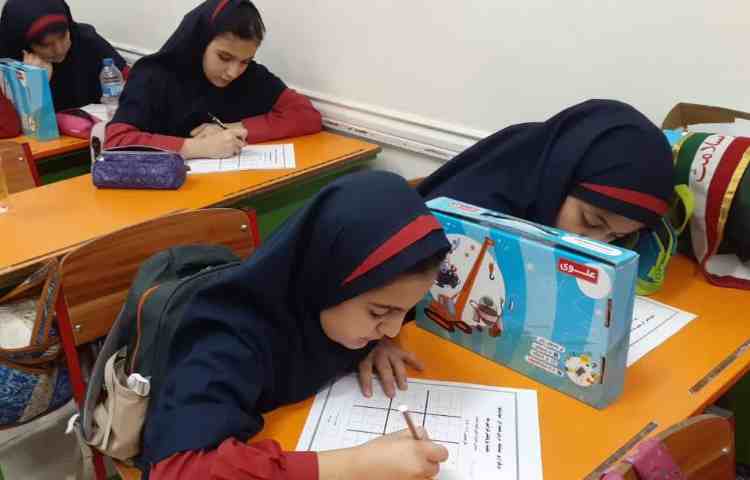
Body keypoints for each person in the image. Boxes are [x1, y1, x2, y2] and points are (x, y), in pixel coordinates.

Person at [143, 171, 451, 480]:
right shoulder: (226, 340)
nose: (393, 330)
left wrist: (378, 342)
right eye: (378, 313)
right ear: (326, 279)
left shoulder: (337, 308)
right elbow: (176, 471)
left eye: (405, 311)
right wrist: (354, 466)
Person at [418, 99, 675, 243]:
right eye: (591, 222)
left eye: (615, 237)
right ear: (560, 176)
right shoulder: (473, 214)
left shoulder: (551, 158)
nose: (594, 244)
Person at [105, 0, 322, 160]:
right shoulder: (152, 76)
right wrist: (199, 148)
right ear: (199, 43)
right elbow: (116, 142)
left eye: (245, 61)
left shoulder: (251, 75)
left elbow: (306, 115)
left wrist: (231, 129)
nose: (233, 72)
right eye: (224, 57)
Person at [0, 0, 129, 111]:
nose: (59, 49)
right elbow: (22, 126)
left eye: (63, 37)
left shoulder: (84, 40)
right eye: (46, 45)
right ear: (25, 45)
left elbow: (131, 82)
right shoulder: (7, 63)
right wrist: (35, 84)